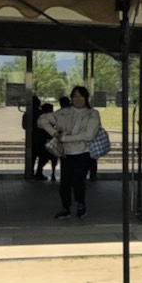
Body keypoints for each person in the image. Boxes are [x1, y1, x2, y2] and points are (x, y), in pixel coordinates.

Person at [39, 86, 101, 220]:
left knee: (78, 179)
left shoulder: (92, 114)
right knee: (65, 182)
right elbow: (42, 120)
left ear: (86, 98)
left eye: (81, 96)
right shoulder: (63, 112)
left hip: (83, 152)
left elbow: (89, 135)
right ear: (71, 98)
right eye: (75, 96)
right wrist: (54, 133)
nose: (78, 99)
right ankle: (66, 207)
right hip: (66, 153)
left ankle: (81, 203)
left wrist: (64, 138)